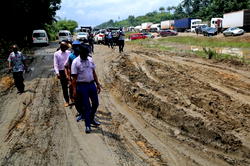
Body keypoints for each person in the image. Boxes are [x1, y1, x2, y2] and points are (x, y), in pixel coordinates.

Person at [71, 45, 101, 133]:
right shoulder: (75, 62)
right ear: (81, 53)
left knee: (95, 103)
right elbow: (74, 78)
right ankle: (87, 125)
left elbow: (93, 73)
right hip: (82, 86)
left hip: (91, 84)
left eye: (87, 53)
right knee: (86, 106)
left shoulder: (90, 60)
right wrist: (74, 90)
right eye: (85, 53)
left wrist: (98, 84)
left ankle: (91, 118)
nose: (87, 55)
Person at [54, 42, 70, 107]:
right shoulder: (56, 54)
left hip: (69, 71)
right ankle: (67, 100)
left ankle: (72, 98)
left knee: (71, 85)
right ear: (61, 47)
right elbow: (55, 64)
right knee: (64, 87)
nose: (66, 48)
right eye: (65, 47)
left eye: (67, 47)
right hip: (61, 72)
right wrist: (57, 73)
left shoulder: (69, 52)